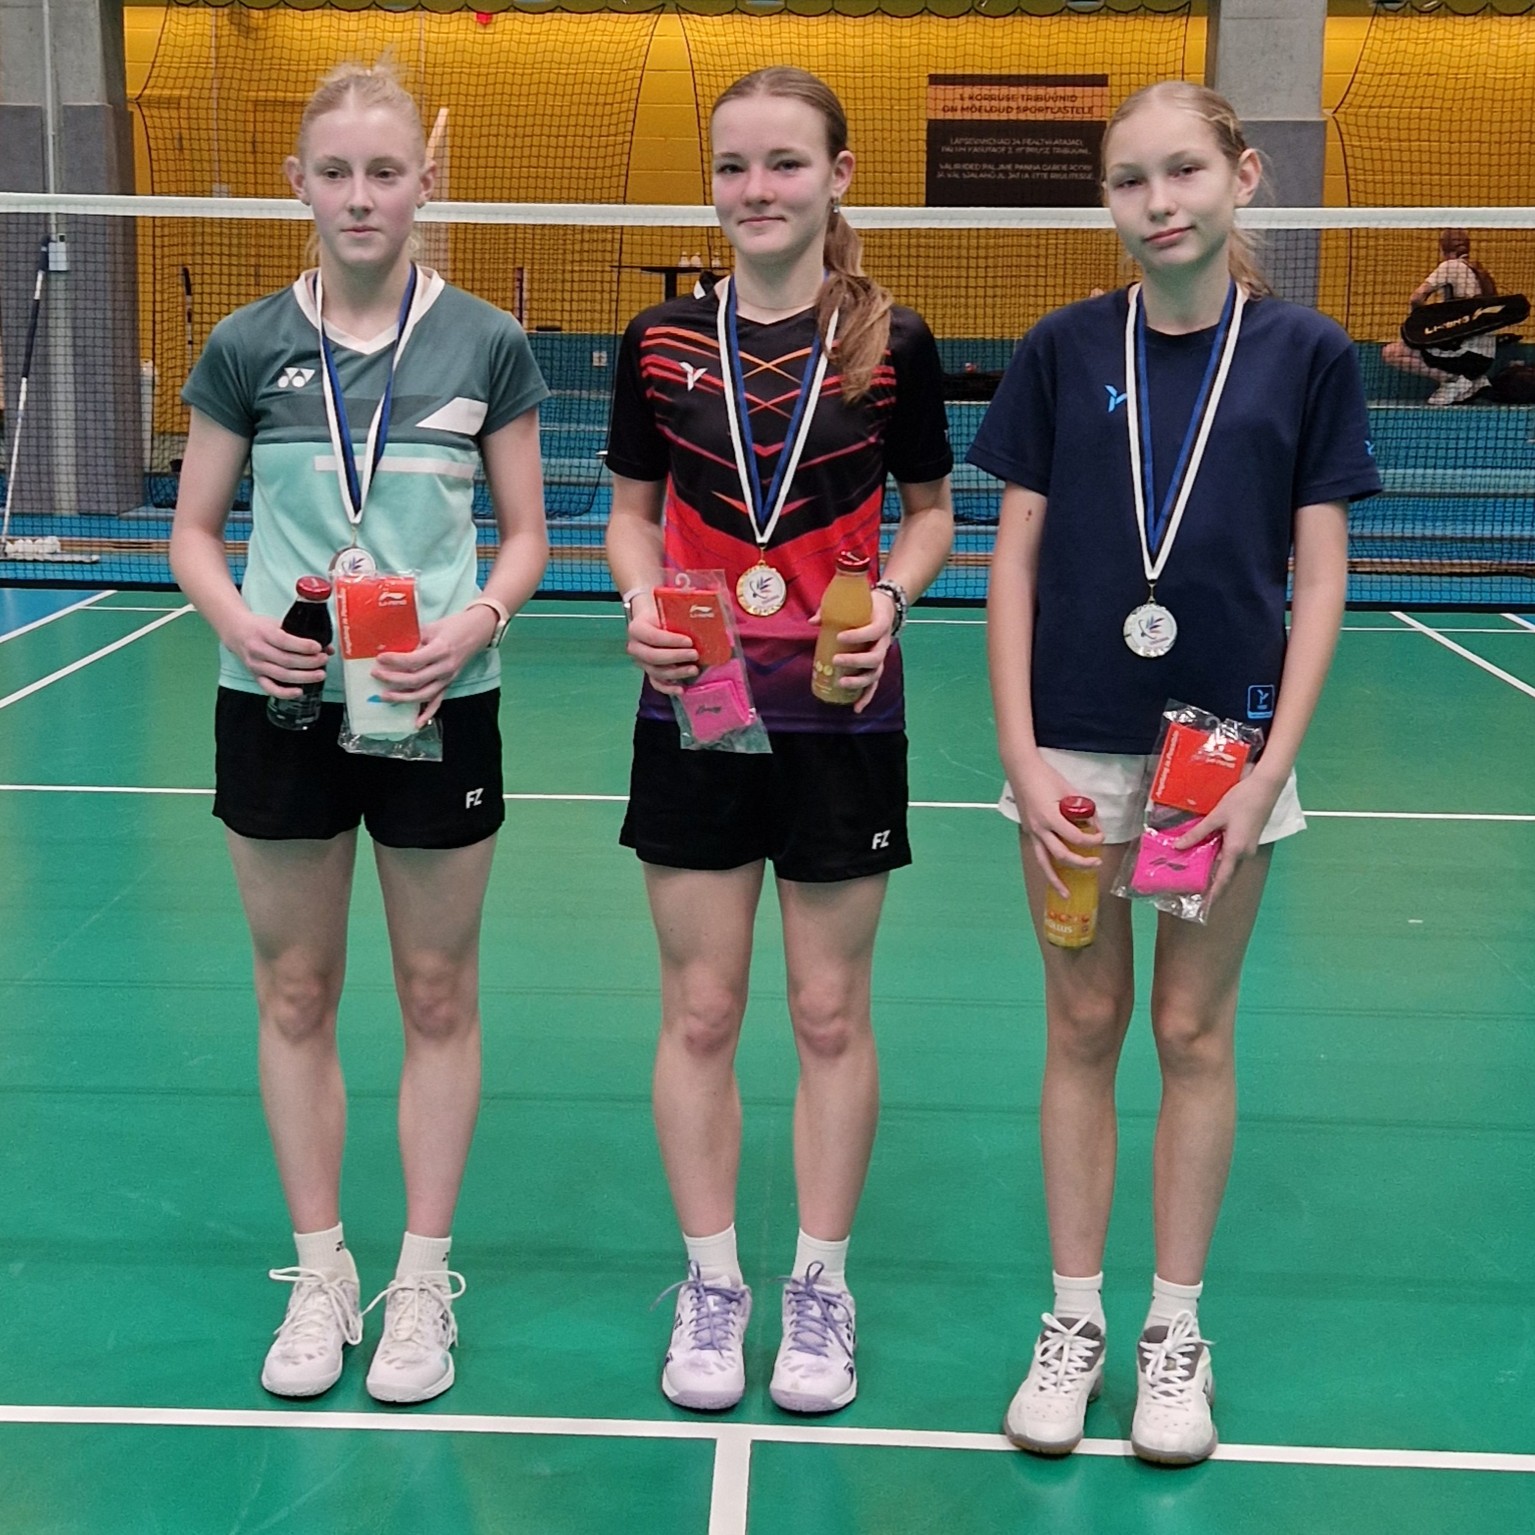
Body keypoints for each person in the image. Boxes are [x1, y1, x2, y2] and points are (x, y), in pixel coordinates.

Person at [969, 80, 1380, 1465]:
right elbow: (1012, 558)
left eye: (1181, 171)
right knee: (1080, 1024)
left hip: (1220, 755)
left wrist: (1267, 770)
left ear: (1241, 175)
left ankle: (1170, 1330)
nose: (1156, 202)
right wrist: (1018, 751)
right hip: (1075, 748)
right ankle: (1072, 1318)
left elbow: (1320, 577)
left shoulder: (1307, 354)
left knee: (1192, 1031)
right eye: (1128, 179)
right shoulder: (1057, 347)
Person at [169, 61, 548, 1404]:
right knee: (295, 991)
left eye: (385, 171)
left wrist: (476, 622)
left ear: (424, 182)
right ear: (299, 185)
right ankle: (322, 1268)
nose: (360, 195)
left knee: (437, 992)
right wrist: (238, 621)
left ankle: (421, 1281)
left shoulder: (487, 343)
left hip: (439, 701)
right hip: (276, 703)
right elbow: (192, 530)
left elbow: (526, 535)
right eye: (334, 172)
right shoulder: (245, 346)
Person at [604, 66, 954, 1415]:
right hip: (696, 699)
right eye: (733, 164)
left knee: (825, 1010)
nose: (756, 188)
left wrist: (896, 600)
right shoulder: (656, 341)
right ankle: (711, 1284)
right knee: (699, 1010)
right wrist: (638, 598)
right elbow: (631, 515)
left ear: (837, 176)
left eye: (784, 163)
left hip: (840, 710)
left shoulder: (891, 340)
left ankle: (818, 1285)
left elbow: (929, 513)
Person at [1382, 228, 1499, 405]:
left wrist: (1423, 325)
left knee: (1391, 352)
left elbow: (1416, 298)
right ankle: (1474, 380)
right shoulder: (1480, 271)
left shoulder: (1450, 266)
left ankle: (1452, 380)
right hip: (1485, 357)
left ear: (1442, 248)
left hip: (1463, 354)